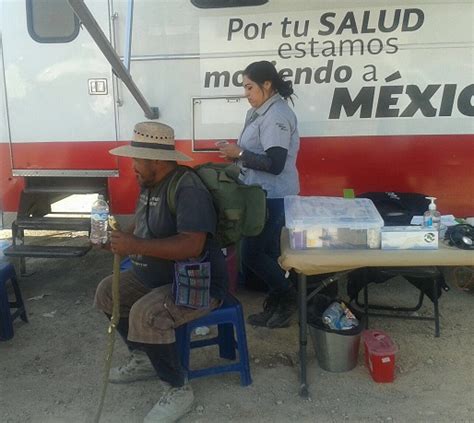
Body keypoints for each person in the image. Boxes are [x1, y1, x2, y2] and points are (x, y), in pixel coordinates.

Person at [95, 121, 228, 423]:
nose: (132, 167)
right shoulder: (150, 184)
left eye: (136, 160)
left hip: (196, 283)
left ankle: (178, 388)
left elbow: (192, 245)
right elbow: (139, 227)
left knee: (146, 313)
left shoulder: (188, 188)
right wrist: (117, 241)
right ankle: (143, 357)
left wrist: (135, 244)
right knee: (106, 293)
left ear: (155, 160)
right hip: (156, 277)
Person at [218, 60, 300, 328]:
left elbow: (275, 164)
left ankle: (290, 299)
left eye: (249, 87)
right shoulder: (259, 112)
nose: (246, 93)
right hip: (258, 194)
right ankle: (278, 303)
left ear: (267, 84)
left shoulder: (276, 115)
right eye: (245, 87)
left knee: (252, 254)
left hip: (273, 196)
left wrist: (238, 153)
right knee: (266, 253)